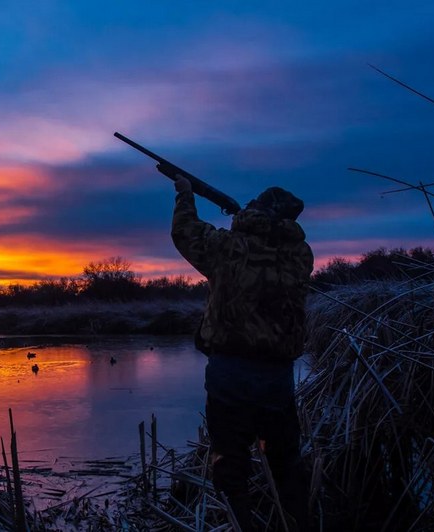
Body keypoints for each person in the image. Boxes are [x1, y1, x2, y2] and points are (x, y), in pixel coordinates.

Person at [170, 175, 314, 531]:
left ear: (255, 212)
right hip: (278, 376)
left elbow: (185, 231)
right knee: (284, 460)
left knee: (230, 462)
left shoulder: (228, 247)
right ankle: (295, 522)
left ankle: (240, 524)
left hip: (229, 372)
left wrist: (185, 194)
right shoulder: (299, 255)